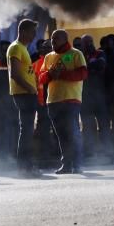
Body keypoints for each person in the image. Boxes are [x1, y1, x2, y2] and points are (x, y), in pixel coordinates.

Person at [39, 29, 88, 174]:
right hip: (53, 101)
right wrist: (49, 74)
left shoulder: (75, 54)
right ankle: (66, 164)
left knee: (72, 132)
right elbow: (41, 78)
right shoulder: (48, 57)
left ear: (65, 39)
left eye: (56, 39)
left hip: (71, 100)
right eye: (52, 39)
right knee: (60, 135)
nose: (52, 42)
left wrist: (62, 74)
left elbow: (83, 74)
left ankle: (77, 164)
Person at [8, 19, 40, 176]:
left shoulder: (22, 48)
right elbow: (14, 74)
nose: (34, 35)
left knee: (27, 130)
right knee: (26, 131)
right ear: (23, 31)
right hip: (24, 94)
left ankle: (26, 166)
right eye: (32, 32)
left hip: (27, 94)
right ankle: (25, 167)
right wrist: (30, 89)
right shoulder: (15, 48)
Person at [79, 34, 109, 157]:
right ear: (82, 44)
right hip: (85, 97)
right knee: (87, 126)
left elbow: (101, 65)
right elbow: (80, 70)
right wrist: (91, 67)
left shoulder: (100, 53)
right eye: (86, 42)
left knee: (103, 125)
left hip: (99, 96)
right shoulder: (78, 55)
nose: (89, 44)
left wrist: (88, 67)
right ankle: (89, 151)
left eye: (91, 41)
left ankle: (106, 150)